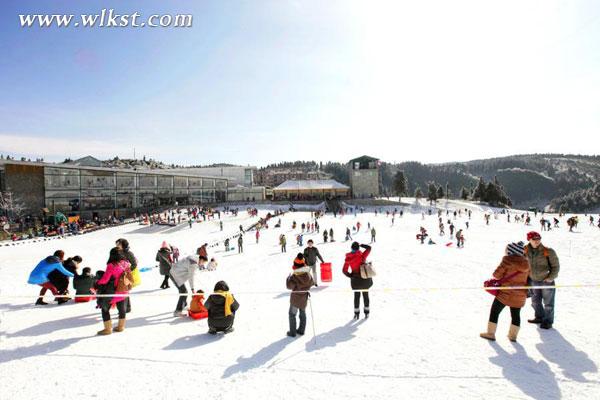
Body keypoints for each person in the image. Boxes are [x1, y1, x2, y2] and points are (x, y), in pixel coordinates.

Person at [480, 242, 530, 342]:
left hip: (505, 294)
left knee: (495, 312)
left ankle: (490, 333)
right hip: (520, 295)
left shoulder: (507, 260)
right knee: (516, 315)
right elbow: (530, 278)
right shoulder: (526, 263)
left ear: (511, 251)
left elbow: (496, 275)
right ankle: (513, 336)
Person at [525, 231, 560, 329]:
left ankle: (548, 321)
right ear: (529, 240)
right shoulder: (525, 250)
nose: (537, 241)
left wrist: (550, 278)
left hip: (546, 281)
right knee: (535, 301)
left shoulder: (548, 251)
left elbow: (556, 266)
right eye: (534, 239)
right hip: (533, 280)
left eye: (538, 239)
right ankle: (539, 317)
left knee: (548, 303)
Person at [95, 248, 132, 335]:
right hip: (124, 289)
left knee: (104, 309)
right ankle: (121, 326)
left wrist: (97, 283)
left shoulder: (111, 265)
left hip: (114, 291)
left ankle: (108, 329)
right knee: (122, 309)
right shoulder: (126, 263)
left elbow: (105, 279)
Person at [342, 242, 372, 319]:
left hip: (355, 281)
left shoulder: (348, 258)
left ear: (351, 248)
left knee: (356, 297)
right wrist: (361, 245)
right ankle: (366, 313)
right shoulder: (362, 256)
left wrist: (351, 276)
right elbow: (369, 248)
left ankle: (356, 314)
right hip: (365, 279)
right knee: (366, 296)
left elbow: (344, 270)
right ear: (358, 248)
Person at [286, 254, 314, 337]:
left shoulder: (295, 275)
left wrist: (288, 278)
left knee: (292, 314)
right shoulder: (308, 274)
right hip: (304, 298)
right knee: (303, 313)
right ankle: (301, 330)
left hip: (295, 298)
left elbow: (289, 286)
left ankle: (292, 332)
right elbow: (312, 282)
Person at [116, 238, 137, 313]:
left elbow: (134, 264)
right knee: (120, 291)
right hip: (117, 274)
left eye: (118, 244)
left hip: (125, 275)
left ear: (123, 245)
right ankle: (125, 308)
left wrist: (127, 271)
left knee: (124, 291)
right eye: (116, 244)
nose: (117, 245)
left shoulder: (129, 253)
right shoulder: (116, 252)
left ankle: (125, 308)